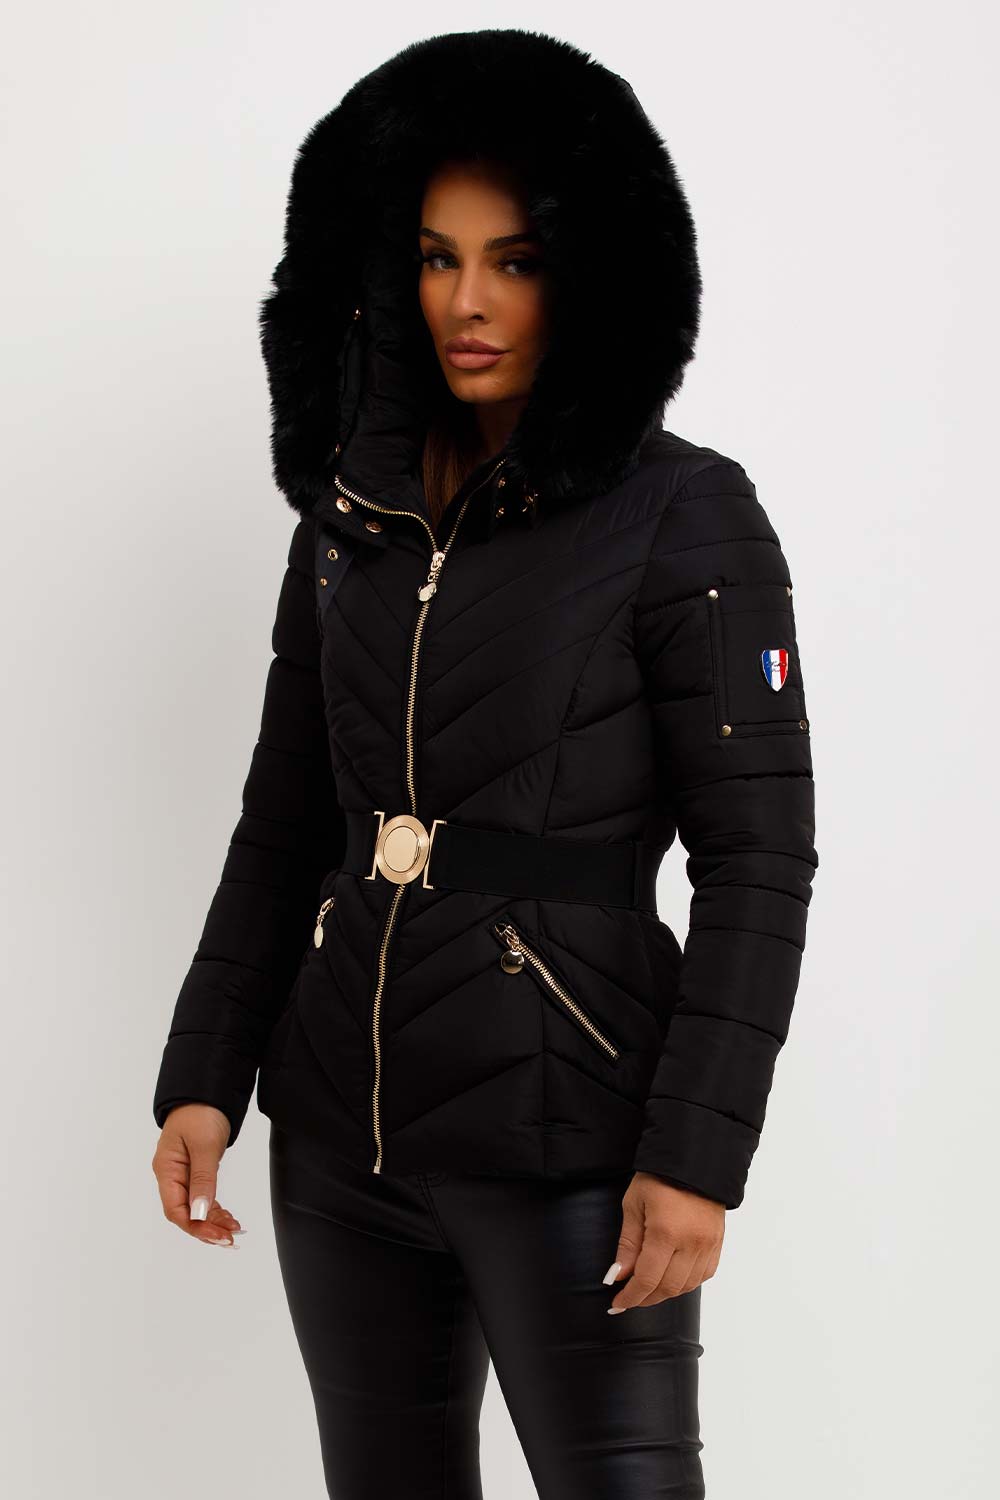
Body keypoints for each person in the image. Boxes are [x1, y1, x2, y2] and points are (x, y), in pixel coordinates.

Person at [151, 27, 818, 1500]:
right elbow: (282, 820)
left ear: (590, 272)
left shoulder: (687, 516)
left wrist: (697, 1155)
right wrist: (204, 1075)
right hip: (339, 1140)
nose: (468, 301)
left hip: (574, 1143)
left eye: (513, 261)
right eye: (436, 259)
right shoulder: (346, 521)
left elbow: (760, 860)